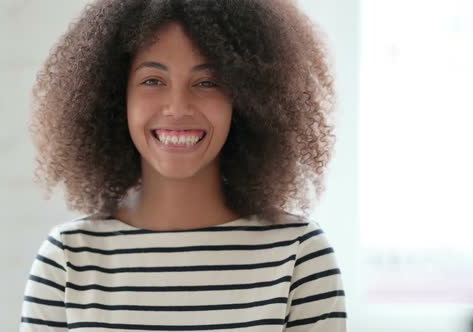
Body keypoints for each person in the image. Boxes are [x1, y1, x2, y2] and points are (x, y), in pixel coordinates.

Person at [21, 0, 347, 331]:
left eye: (207, 82)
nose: (178, 107)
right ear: (117, 96)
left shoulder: (298, 257)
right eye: (153, 80)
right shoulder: (67, 260)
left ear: (247, 99)